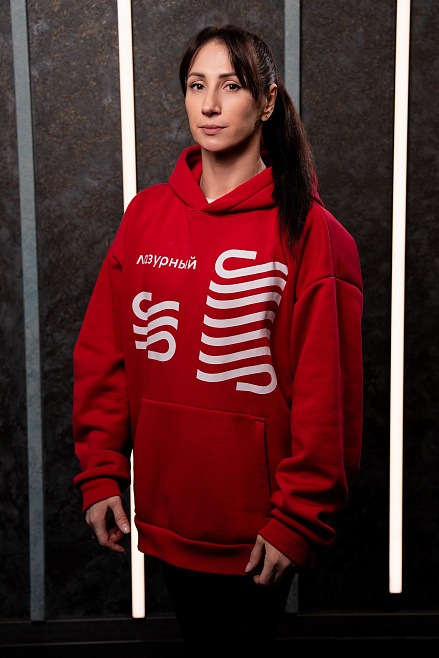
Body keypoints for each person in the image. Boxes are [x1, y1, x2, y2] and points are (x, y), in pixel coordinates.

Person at [73, 24, 363, 651]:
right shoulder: (145, 215)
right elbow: (105, 354)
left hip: (259, 530)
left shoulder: (314, 234)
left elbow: (328, 396)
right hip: (166, 512)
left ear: (267, 101)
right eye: (196, 85)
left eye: (231, 86)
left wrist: (298, 519)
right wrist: (101, 473)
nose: (208, 105)